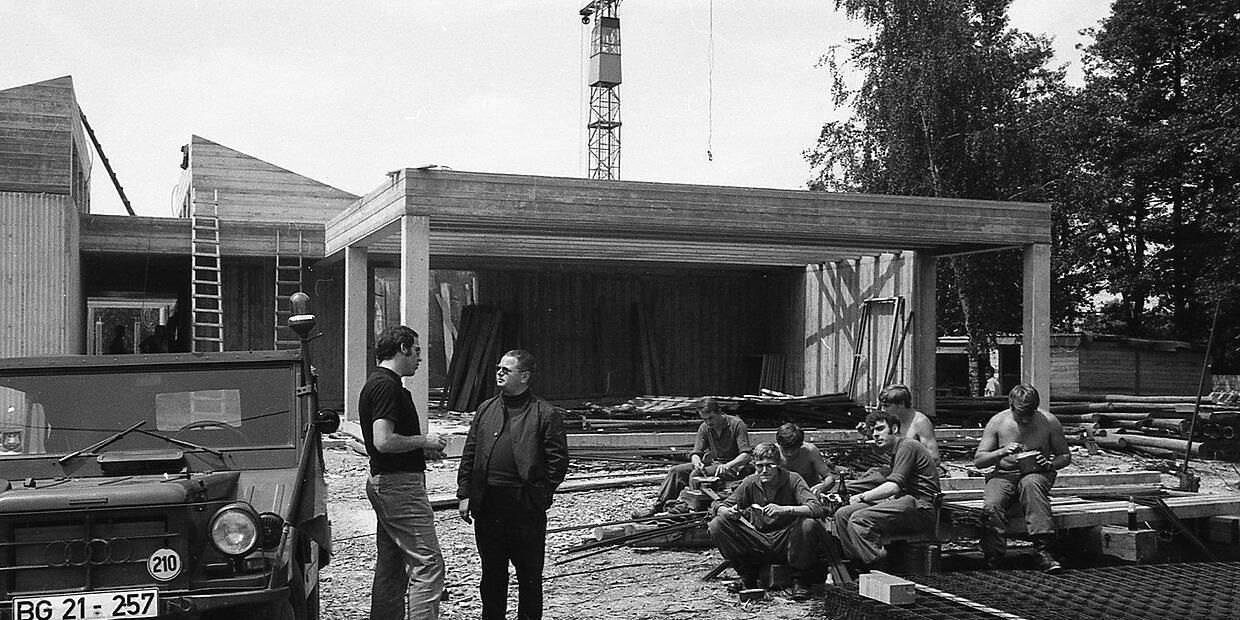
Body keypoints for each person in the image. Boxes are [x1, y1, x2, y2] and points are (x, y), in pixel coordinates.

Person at [458, 349, 569, 620]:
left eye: (506, 370)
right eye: (498, 368)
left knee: (529, 578)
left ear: (525, 377)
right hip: (489, 506)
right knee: (492, 575)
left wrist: (540, 493)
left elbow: (558, 461)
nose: (499, 373)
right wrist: (464, 493)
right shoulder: (486, 409)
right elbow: (470, 453)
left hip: (524, 507)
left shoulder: (545, 413)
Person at [360, 326, 449, 620]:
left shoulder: (379, 383)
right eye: (417, 350)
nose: (420, 358)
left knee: (393, 564)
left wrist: (419, 450)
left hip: (387, 483)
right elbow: (383, 440)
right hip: (400, 487)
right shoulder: (387, 386)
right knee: (428, 564)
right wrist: (424, 440)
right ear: (402, 348)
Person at [707, 442, 828, 600]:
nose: (764, 470)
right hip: (760, 539)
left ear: (778, 464)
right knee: (717, 524)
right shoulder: (751, 482)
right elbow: (719, 504)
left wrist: (785, 509)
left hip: (787, 541)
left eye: (769, 465)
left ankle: (800, 580)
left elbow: (816, 508)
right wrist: (726, 511)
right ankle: (747, 575)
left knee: (808, 524)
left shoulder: (793, 479)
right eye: (760, 466)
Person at [973, 383, 1070, 572]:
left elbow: (1065, 456)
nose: (1025, 420)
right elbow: (979, 460)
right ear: (1011, 407)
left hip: (1037, 473)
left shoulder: (1049, 421)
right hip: (1004, 474)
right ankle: (993, 555)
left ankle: (1043, 551)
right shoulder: (998, 422)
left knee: (1031, 485)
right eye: (1020, 414)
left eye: (1030, 413)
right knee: (992, 503)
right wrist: (1001, 452)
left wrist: (1050, 464)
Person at [833, 409, 940, 570]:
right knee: (843, 514)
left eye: (880, 429)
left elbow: (893, 486)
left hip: (921, 507)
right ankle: (857, 565)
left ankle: (880, 568)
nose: (875, 434)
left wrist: (862, 497)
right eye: (873, 430)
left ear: (895, 429)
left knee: (859, 519)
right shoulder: (896, 451)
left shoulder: (908, 446)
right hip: (905, 504)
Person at [634, 397, 753, 517]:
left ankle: (694, 510)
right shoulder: (705, 427)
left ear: (719, 412)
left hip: (735, 467)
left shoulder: (737, 424)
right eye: (705, 419)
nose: (708, 422)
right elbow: (696, 452)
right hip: (715, 464)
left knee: (696, 475)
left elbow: (746, 455)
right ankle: (657, 507)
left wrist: (729, 465)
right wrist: (696, 461)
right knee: (676, 471)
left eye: (711, 418)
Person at [844, 384, 940, 495]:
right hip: (898, 470)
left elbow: (935, 459)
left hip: (914, 477)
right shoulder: (894, 420)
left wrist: (905, 465)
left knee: (872, 480)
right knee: (870, 474)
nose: (883, 409)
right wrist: (869, 433)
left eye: (887, 406)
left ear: (901, 404)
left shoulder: (920, 422)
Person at [774, 423, 836, 497]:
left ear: (800, 445)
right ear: (779, 444)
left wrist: (822, 487)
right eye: (785, 449)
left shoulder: (810, 451)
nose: (789, 454)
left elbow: (829, 478)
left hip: (810, 495)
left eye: (793, 449)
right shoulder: (772, 453)